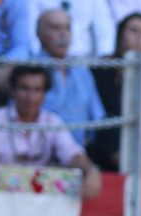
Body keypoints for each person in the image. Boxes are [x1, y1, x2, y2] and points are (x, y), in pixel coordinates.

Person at [0, 65, 104, 199]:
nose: (30, 97)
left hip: (42, 202)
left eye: (38, 90)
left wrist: (90, 170)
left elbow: (71, 153)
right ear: (12, 91)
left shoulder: (52, 122)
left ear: (45, 94)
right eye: (24, 88)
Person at [35, 7, 107, 146]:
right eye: (55, 28)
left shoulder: (82, 70)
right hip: (42, 153)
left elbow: (97, 117)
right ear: (39, 34)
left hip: (81, 153)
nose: (63, 34)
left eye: (67, 28)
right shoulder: (29, 68)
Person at [34, 0, 114, 56]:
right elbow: (32, 31)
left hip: (84, 58)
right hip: (46, 58)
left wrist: (105, 58)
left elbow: (104, 32)